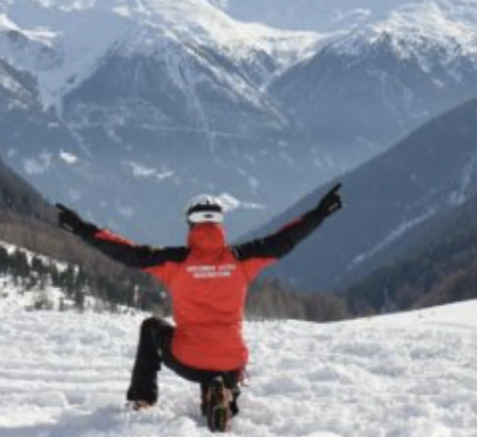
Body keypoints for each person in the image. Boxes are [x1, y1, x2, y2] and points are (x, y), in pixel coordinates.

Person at [56, 183, 344, 432]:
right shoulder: (244, 258)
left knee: (151, 327)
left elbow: (127, 252)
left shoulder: (174, 261)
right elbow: (286, 239)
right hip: (232, 361)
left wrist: (81, 229)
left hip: (189, 358)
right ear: (220, 225)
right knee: (218, 366)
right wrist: (320, 213)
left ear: (191, 225)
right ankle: (221, 395)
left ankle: (142, 399)